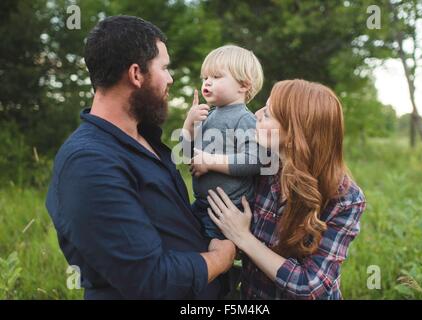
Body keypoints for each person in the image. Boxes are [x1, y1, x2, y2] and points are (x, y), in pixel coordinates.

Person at [45, 15, 235, 300]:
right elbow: (149, 279)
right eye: (165, 68)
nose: (170, 79)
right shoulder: (89, 163)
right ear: (136, 74)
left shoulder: (145, 140)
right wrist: (220, 259)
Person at [206, 79, 367, 299]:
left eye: (269, 114)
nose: (257, 115)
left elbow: (309, 285)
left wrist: (244, 237)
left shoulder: (345, 197)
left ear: (294, 136)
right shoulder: (262, 168)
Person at [181, 45, 264, 240]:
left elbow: (253, 160)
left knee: (211, 254)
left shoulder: (244, 119)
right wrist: (188, 125)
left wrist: (209, 161)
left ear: (243, 85)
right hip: (202, 204)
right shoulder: (208, 116)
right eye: (205, 78)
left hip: (229, 210)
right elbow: (186, 156)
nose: (207, 82)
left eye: (216, 77)